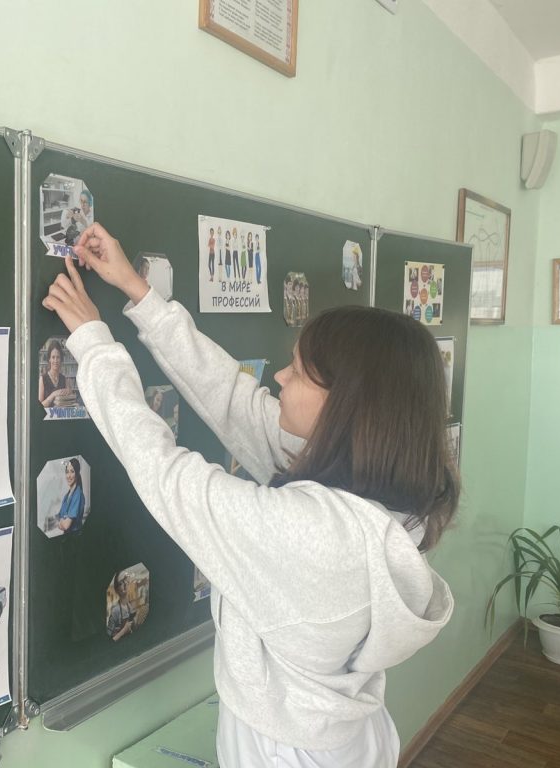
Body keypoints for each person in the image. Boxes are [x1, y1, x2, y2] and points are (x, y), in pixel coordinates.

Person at [42, 222, 457, 768]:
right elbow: (236, 400)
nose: (280, 376)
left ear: (346, 406)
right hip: (342, 737)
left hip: (286, 754)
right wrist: (140, 294)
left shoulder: (317, 537)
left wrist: (93, 343)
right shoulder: (385, 494)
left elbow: (165, 473)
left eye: (300, 372)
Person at [38, 339, 73, 408]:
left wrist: (70, 393)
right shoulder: (43, 379)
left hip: (61, 414)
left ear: (61, 359)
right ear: (49, 359)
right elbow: (39, 406)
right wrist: (53, 394)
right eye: (53, 357)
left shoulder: (64, 379)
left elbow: (70, 404)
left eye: (58, 357)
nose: (55, 360)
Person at [56, 458, 85, 535]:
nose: (69, 476)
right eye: (67, 472)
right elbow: (58, 519)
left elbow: (66, 525)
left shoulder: (78, 495)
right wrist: (62, 520)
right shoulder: (66, 496)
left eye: (72, 471)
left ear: (77, 474)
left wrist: (62, 520)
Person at [105, 571, 135, 642]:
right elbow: (110, 639)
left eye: (126, 581)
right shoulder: (115, 610)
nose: (125, 584)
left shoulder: (131, 606)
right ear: (116, 590)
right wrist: (124, 630)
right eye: (121, 583)